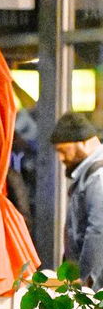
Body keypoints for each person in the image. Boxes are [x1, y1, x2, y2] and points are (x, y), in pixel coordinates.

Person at [51, 112, 103, 287]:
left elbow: (98, 230)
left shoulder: (98, 177)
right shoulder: (90, 175)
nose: (60, 158)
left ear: (83, 143)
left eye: (63, 151)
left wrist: (85, 279)